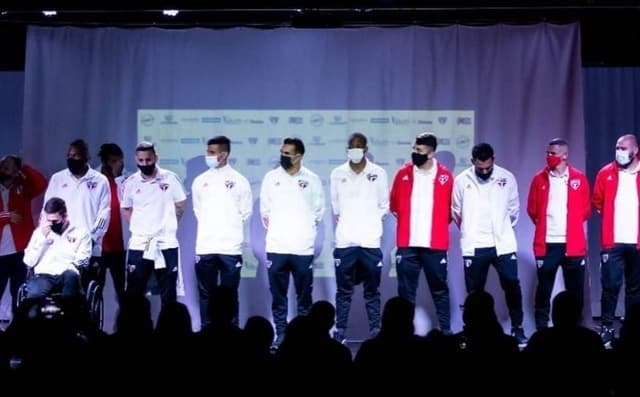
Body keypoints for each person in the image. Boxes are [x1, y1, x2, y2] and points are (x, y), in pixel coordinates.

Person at [452, 143, 527, 345]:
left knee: (512, 285)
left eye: (488, 167)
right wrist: (471, 231)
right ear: (472, 162)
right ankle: (474, 332)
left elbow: (514, 210)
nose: (484, 171)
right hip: (475, 245)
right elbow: (457, 213)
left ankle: (517, 328)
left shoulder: (507, 177)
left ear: (493, 159)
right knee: (475, 293)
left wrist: (502, 230)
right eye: (480, 168)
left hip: (502, 244)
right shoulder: (461, 181)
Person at [260, 137, 325, 346]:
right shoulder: (270, 178)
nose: (283, 156)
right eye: (282, 152)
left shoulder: (312, 179)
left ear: (299, 156)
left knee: (304, 299)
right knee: (279, 299)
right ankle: (281, 335)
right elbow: (265, 212)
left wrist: (303, 231)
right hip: (277, 247)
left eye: (287, 153)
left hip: (302, 249)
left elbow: (318, 211)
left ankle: (305, 339)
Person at [389, 132, 453, 334]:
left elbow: (451, 211)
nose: (415, 153)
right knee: (405, 294)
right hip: (408, 245)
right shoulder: (403, 173)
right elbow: (394, 205)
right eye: (414, 149)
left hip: (435, 246)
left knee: (440, 291)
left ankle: (446, 333)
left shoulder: (445, 176)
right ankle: (403, 334)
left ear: (431, 153)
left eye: (420, 150)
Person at [329, 132, 388, 342]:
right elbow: (336, 208)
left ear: (366, 148)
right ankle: (340, 332)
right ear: (347, 148)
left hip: (370, 242)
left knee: (372, 292)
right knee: (344, 293)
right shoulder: (337, 173)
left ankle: (376, 332)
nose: (355, 149)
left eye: (359, 146)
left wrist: (370, 221)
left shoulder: (378, 173)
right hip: (345, 242)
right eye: (351, 146)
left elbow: (384, 205)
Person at [527, 138, 590, 330]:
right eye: (547, 153)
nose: (549, 157)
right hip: (548, 244)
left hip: (574, 245)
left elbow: (585, 210)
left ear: (564, 155)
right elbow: (533, 210)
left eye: (552, 153)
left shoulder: (578, 178)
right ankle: (541, 328)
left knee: (575, 291)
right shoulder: (539, 179)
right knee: (544, 289)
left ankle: (576, 328)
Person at [192, 136, 252, 327]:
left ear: (223, 154)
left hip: (230, 248)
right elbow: (198, 210)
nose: (207, 156)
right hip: (205, 246)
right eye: (207, 152)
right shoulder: (199, 181)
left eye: (211, 152)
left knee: (230, 294)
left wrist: (229, 229)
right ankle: (205, 330)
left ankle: (232, 333)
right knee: (205, 294)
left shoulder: (240, 181)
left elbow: (245, 212)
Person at [121, 141, 186, 306]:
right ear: (136, 160)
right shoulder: (131, 182)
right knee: (134, 292)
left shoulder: (170, 178)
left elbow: (180, 203)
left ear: (156, 157)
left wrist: (170, 224)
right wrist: (138, 225)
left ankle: (168, 329)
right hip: (140, 244)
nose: (145, 164)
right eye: (141, 161)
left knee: (169, 292)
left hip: (166, 243)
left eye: (148, 160)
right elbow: (126, 208)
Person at [43, 139, 110, 291]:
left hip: (89, 246)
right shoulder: (58, 179)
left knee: (85, 291)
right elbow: (46, 210)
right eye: (69, 155)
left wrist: (92, 239)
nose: (71, 159)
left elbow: (104, 213)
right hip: (61, 246)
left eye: (76, 156)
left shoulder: (100, 180)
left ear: (86, 158)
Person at [592, 134, 640, 345]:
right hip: (613, 243)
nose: (618, 151)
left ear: (635, 151)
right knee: (610, 286)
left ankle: (632, 327)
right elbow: (597, 202)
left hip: (637, 242)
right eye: (616, 147)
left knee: (635, 288)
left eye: (623, 148)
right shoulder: (605, 173)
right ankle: (607, 327)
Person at [0, 155, 47, 312]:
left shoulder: (22, 187)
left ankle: (17, 332)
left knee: (19, 294)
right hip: (0, 254)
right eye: (1, 166)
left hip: (21, 252)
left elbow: (41, 184)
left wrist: (23, 167)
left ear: (15, 172)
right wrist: (7, 216)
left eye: (7, 167)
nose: (2, 169)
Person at [22, 197, 90, 301]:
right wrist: (42, 241)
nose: (52, 224)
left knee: (71, 278)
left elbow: (84, 258)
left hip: (68, 273)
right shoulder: (39, 233)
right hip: (44, 274)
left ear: (65, 216)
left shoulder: (81, 232)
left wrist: (72, 265)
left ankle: (68, 313)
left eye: (55, 221)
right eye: (49, 221)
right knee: (33, 298)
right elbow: (28, 261)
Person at [97, 143, 127, 303]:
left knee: (123, 292)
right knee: (95, 290)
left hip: (120, 247)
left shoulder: (126, 180)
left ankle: (126, 326)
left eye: (120, 161)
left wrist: (119, 178)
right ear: (106, 162)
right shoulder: (94, 180)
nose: (119, 164)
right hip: (98, 246)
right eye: (115, 161)